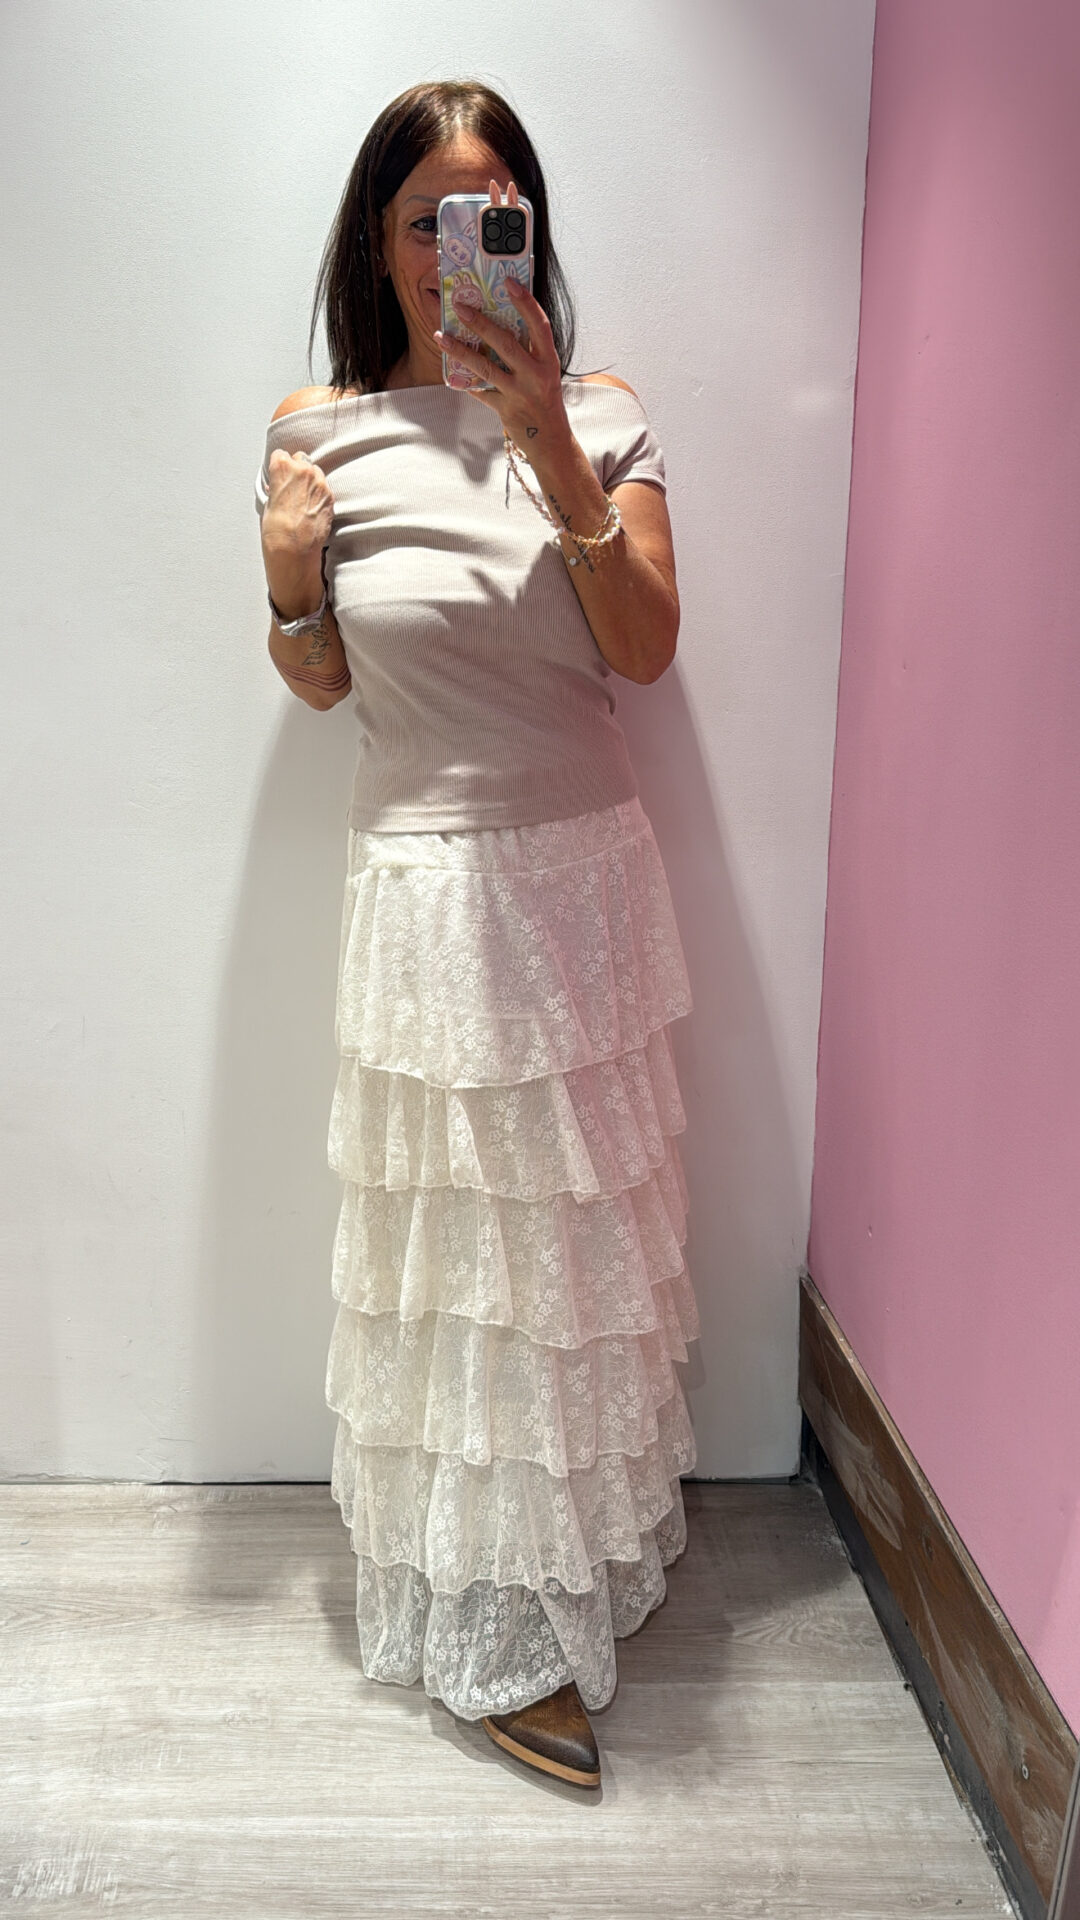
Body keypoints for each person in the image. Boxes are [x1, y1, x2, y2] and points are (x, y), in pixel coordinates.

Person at [254, 78, 700, 1791]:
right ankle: (485, 1611)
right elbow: (319, 682)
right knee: (465, 1270)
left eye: (494, 210)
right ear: (379, 243)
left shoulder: (602, 413)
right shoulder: (318, 431)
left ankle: (557, 1571)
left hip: (580, 887)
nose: (462, 244)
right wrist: (289, 580)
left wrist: (554, 449)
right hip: (427, 899)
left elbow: (642, 649)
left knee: (568, 1266)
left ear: (528, 228)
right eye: (429, 216)